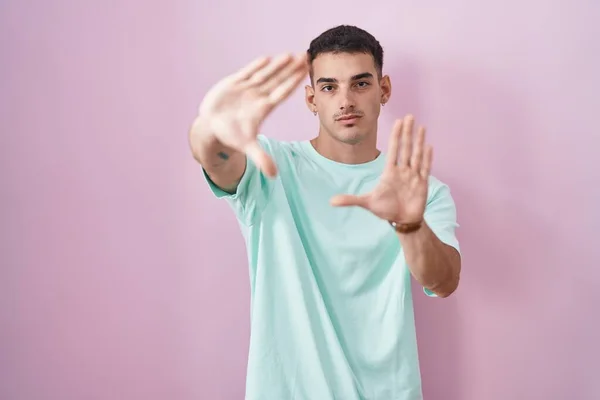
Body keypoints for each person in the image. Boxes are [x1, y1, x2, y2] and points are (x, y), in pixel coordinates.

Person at [189, 25, 461, 400]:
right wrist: (209, 129)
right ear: (311, 98)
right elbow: (216, 158)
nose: (345, 100)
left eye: (361, 84)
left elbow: (444, 281)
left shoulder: (420, 189)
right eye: (330, 87)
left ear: (384, 91)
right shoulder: (271, 165)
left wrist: (410, 224)